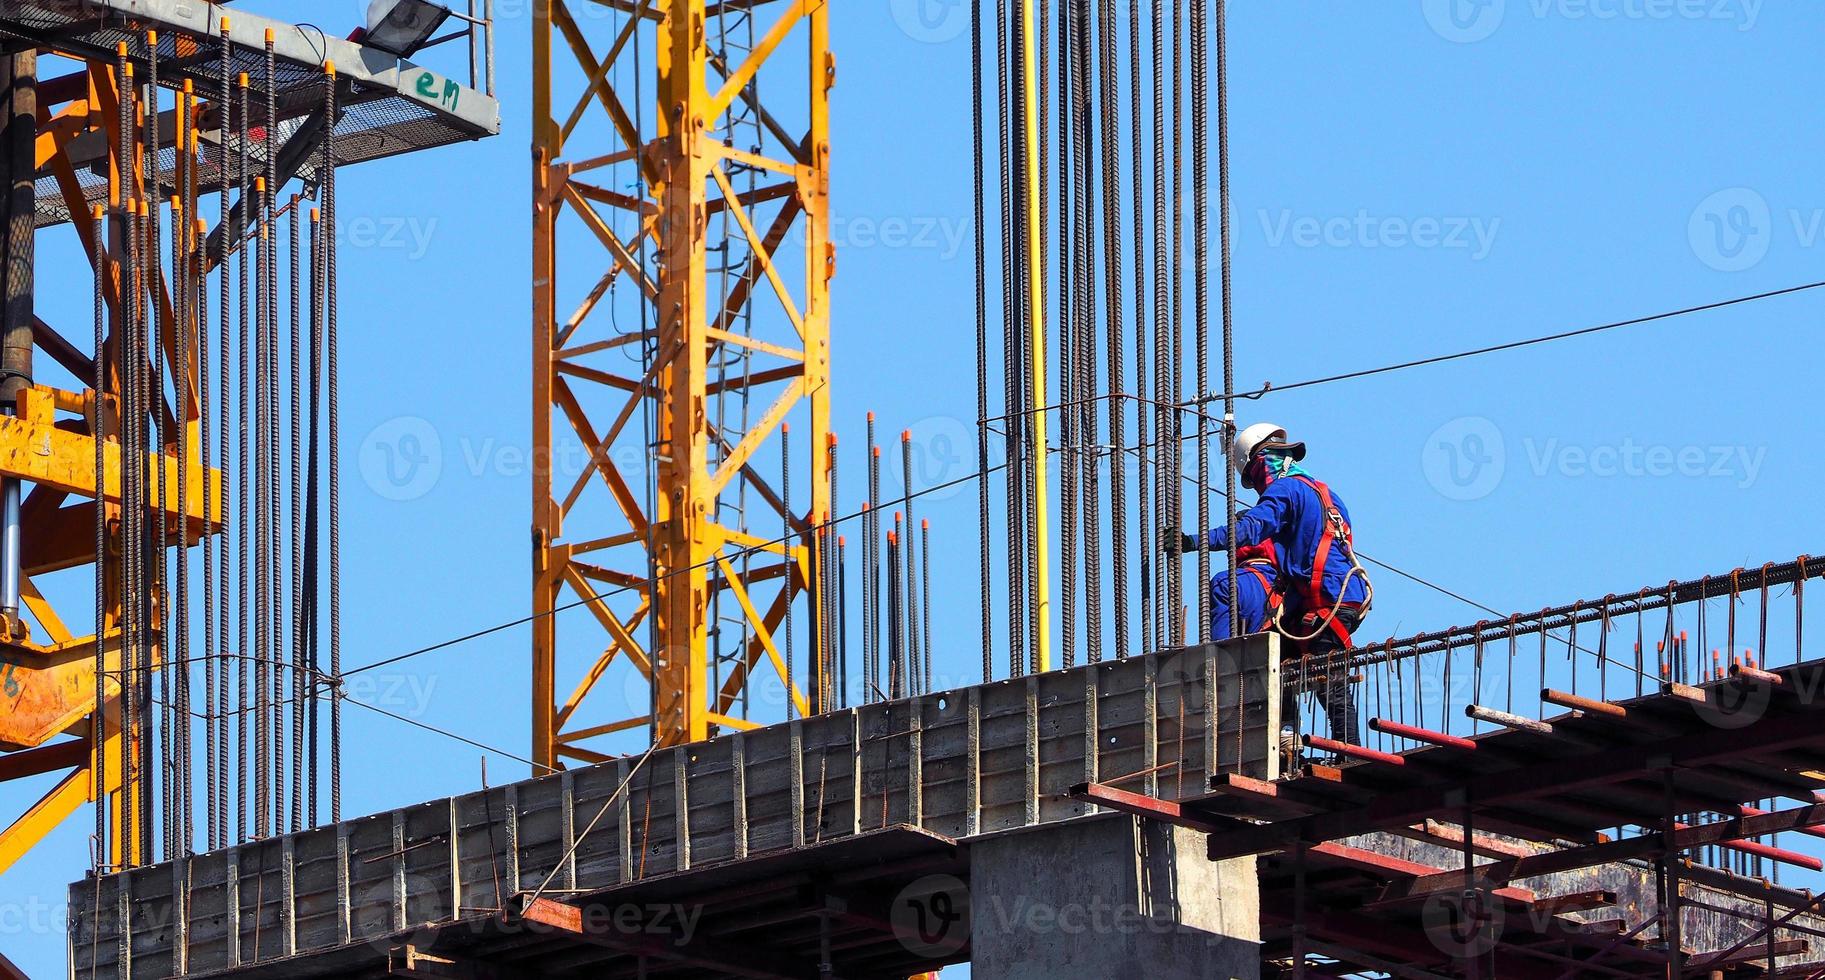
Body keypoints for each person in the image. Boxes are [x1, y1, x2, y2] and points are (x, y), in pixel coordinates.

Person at [1165, 423, 1372, 746]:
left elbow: (1250, 529)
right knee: (1279, 661)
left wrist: (1194, 541)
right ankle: (1286, 737)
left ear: (1260, 463)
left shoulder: (1285, 490)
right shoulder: (1324, 491)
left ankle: (1350, 751)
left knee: (1328, 682)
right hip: (1339, 595)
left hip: (1328, 600)